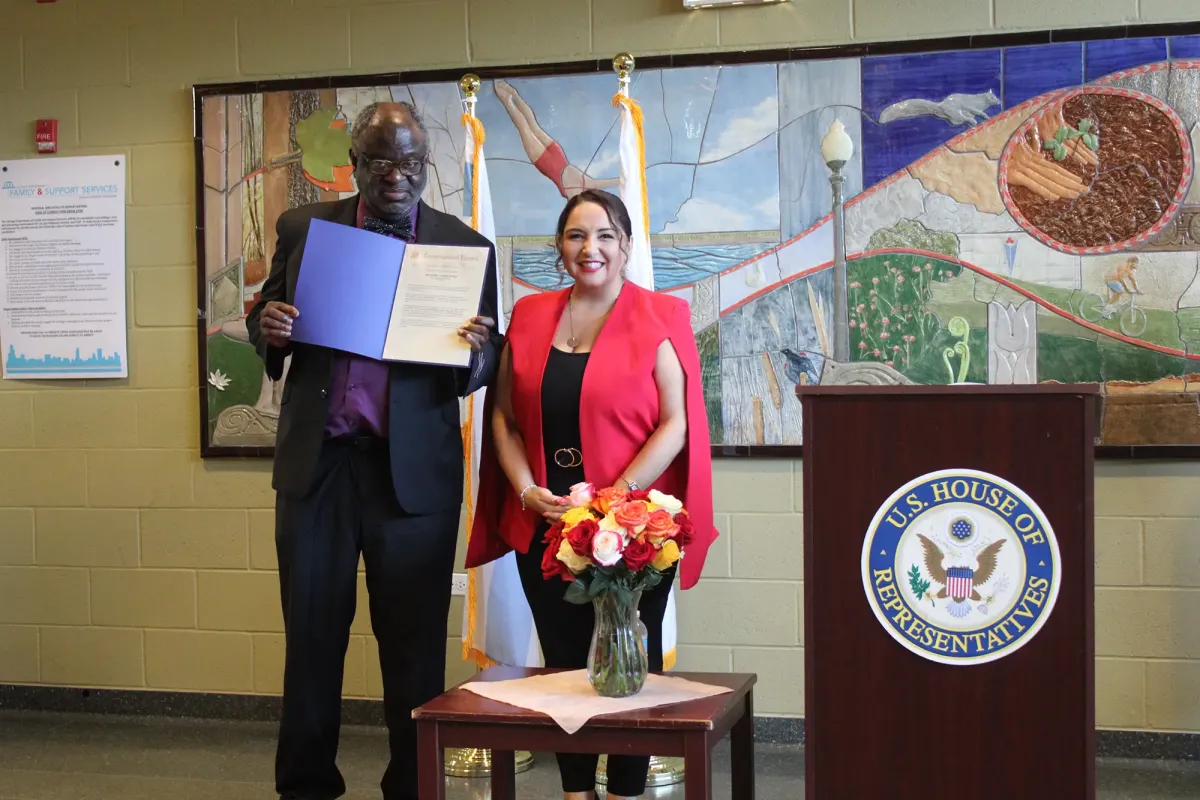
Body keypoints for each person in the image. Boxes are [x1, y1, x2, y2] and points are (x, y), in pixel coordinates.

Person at [246, 101, 502, 800]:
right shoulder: (305, 228)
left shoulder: (465, 246)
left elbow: (483, 364)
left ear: (427, 165)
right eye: (382, 160)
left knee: (415, 649)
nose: (398, 175)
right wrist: (266, 326)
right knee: (311, 640)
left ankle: (412, 787)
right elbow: (266, 320)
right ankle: (305, 786)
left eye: (412, 161)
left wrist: (479, 353)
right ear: (355, 164)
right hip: (319, 468)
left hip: (412, 479)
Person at [465, 189, 718, 800]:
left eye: (605, 234)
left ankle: (628, 789)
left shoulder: (661, 315)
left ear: (627, 245)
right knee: (564, 665)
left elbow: (675, 423)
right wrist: (525, 492)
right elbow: (502, 418)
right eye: (577, 236)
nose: (591, 248)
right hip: (548, 526)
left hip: (633, 529)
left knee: (635, 665)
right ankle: (576, 791)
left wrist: (619, 495)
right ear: (560, 247)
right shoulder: (527, 318)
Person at [494, 79, 620, 199]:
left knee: (533, 126)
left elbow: (604, 183)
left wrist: (622, 181)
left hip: (558, 155)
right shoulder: (578, 194)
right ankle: (506, 99)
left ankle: (513, 94)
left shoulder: (588, 183)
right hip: (545, 162)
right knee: (525, 128)